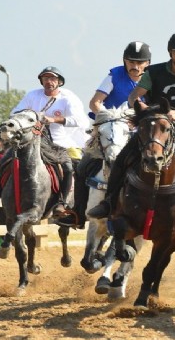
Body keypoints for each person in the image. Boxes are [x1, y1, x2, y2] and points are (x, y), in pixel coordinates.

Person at [88, 31, 175, 238]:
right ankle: (108, 203)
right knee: (122, 158)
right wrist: (144, 108)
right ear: (170, 52)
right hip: (153, 125)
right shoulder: (153, 72)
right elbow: (135, 95)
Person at [56, 41, 151, 229]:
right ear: (125, 61)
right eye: (131, 61)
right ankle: (78, 213)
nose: (135, 66)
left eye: (140, 62)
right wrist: (110, 117)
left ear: (147, 63)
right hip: (109, 130)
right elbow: (95, 103)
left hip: (137, 134)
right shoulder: (114, 75)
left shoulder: (153, 78)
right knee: (83, 166)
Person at [0, 66, 90, 216]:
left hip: (57, 142)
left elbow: (80, 120)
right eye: (45, 78)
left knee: (68, 168)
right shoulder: (32, 95)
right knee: (4, 161)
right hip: (30, 139)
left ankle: (61, 204)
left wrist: (53, 119)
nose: (49, 81)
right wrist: (31, 116)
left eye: (52, 78)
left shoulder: (68, 98)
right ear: (41, 81)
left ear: (59, 82)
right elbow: (15, 112)